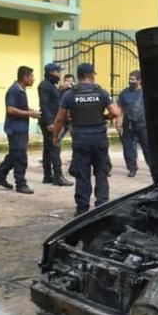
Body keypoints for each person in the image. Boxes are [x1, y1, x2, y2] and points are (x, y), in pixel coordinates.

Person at [53, 63, 121, 216]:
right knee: (101, 174)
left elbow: (59, 119)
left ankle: (82, 210)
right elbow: (116, 112)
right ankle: (102, 207)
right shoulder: (101, 92)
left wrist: (55, 137)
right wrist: (104, 117)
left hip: (81, 140)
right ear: (91, 75)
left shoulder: (70, 94)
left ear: (78, 76)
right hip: (99, 139)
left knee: (82, 175)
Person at [0, 66, 40, 194]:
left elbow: (20, 107)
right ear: (25, 77)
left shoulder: (21, 89)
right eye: (31, 77)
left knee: (14, 155)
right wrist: (29, 114)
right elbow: (11, 109)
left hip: (21, 128)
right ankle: (21, 184)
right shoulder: (14, 90)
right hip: (15, 129)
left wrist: (31, 110)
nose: (33, 79)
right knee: (20, 157)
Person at [38, 63, 73, 187]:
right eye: (58, 72)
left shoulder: (50, 86)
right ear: (52, 72)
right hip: (50, 122)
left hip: (52, 120)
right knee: (55, 147)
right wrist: (49, 123)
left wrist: (61, 89)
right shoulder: (44, 86)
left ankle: (48, 176)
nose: (60, 74)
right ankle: (58, 177)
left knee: (48, 149)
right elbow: (44, 105)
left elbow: (53, 98)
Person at [116, 70, 151, 177]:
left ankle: (153, 166)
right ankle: (132, 168)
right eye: (130, 79)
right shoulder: (124, 93)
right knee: (128, 147)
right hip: (128, 124)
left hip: (143, 124)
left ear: (140, 80)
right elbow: (119, 108)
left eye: (133, 79)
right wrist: (118, 121)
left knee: (147, 148)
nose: (130, 81)